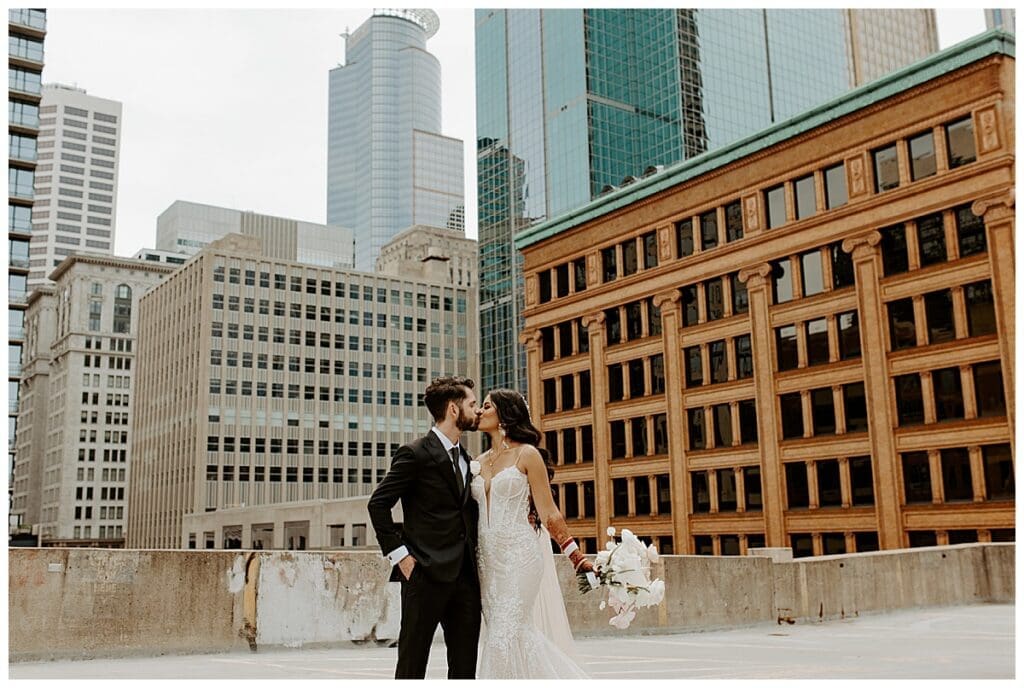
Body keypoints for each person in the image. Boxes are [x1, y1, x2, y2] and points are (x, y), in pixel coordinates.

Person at [470, 388, 593, 679]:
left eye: (486, 406)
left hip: (520, 558)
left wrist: (576, 556)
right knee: (507, 635)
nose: (480, 412)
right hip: (487, 563)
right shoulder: (478, 460)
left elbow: (549, 512)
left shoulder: (528, 454)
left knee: (503, 635)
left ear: (503, 414)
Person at [367, 376, 482, 679]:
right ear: (453, 410)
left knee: (465, 667)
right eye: (472, 404)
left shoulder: (468, 460)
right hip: (424, 575)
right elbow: (378, 504)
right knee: (412, 664)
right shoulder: (415, 453)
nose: (478, 410)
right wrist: (401, 557)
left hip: (465, 578)